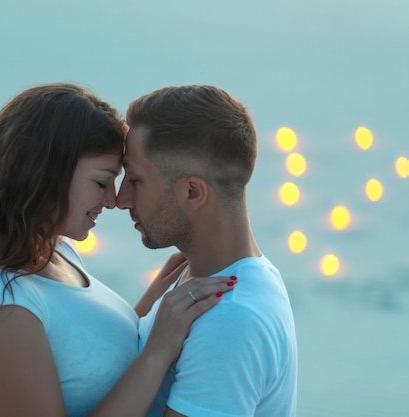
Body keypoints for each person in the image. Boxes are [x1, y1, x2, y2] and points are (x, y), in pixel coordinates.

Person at [0, 83, 238, 417]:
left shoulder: (57, 252)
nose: (113, 200)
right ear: (46, 174)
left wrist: (151, 306)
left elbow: (85, 356)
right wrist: (157, 351)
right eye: (101, 182)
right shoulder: (6, 308)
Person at [116, 85, 298, 417]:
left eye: (135, 180)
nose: (121, 199)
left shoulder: (230, 319)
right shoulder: (199, 276)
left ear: (192, 192)